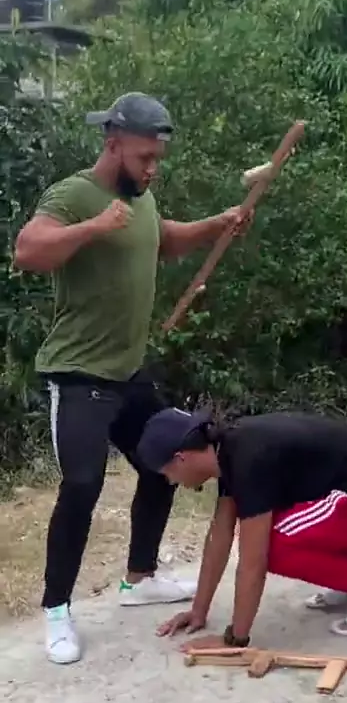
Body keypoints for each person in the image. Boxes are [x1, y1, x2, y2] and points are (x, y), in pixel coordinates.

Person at [14, 92, 251, 665]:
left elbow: (161, 238)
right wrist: (93, 226)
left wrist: (216, 224)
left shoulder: (140, 199)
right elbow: (28, 251)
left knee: (169, 454)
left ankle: (139, 577)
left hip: (128, 371)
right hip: (78, 374)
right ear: (113, 143)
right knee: (82, 485)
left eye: (156, 159)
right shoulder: (74, 194)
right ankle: (56, 610)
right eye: (145, 157)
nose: (152, 169)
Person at [135, 407, 347, 650]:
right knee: (281, 533)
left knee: (275, 546)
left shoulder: (249, 461)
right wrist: (198, 611)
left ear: (181, 458)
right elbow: (219, 535)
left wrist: (234, 640)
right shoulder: (228, 449)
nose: (171, 481)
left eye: (167, 473)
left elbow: (253, 562)